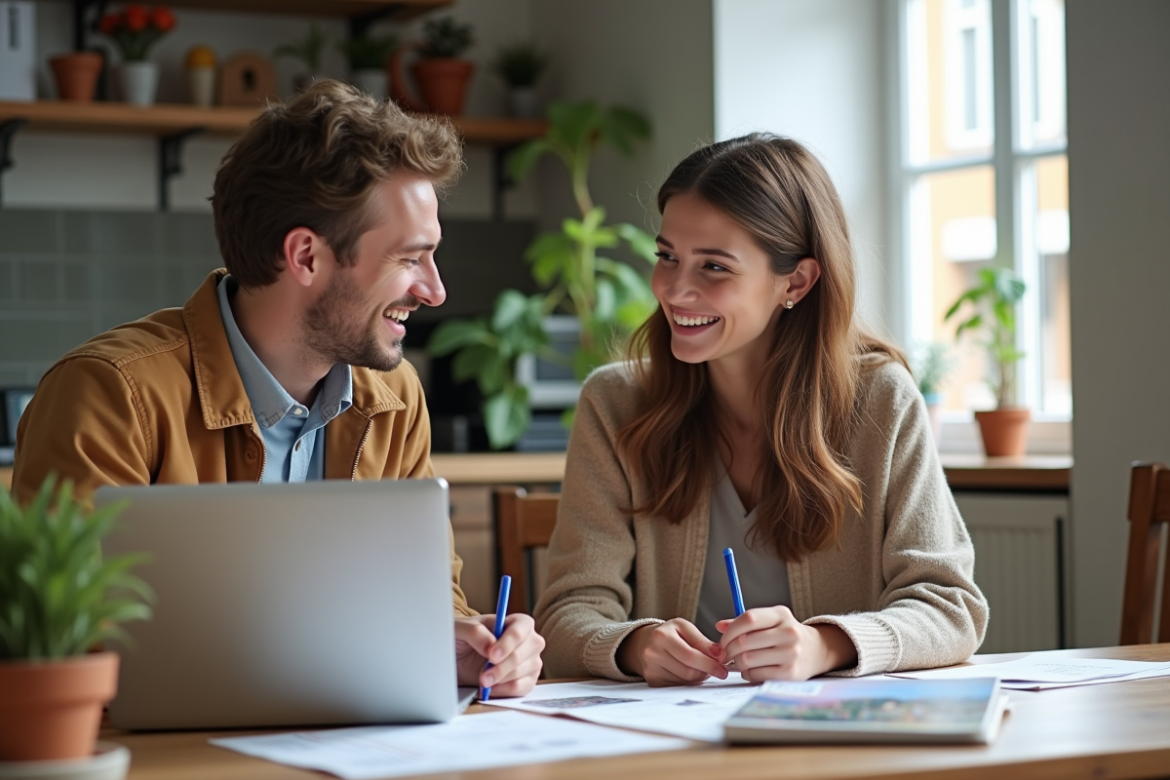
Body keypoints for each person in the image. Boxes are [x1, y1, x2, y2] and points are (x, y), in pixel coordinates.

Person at [12, 80, 543, 698]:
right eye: (409, 259)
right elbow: (59, 641)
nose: (435, 290)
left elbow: (429, 599)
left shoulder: (395, 400)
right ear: (306, 256)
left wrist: (466, 645)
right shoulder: (109, 394)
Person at [534, 134, 988, 685]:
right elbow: (565, 615)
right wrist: (632, 645)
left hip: (832, 745)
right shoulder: (614, 404)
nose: (675, 290)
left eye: (714, 268)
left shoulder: (881, 401)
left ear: (795, 281)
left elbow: (951, 609)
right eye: (667, 257)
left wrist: (825, 646)